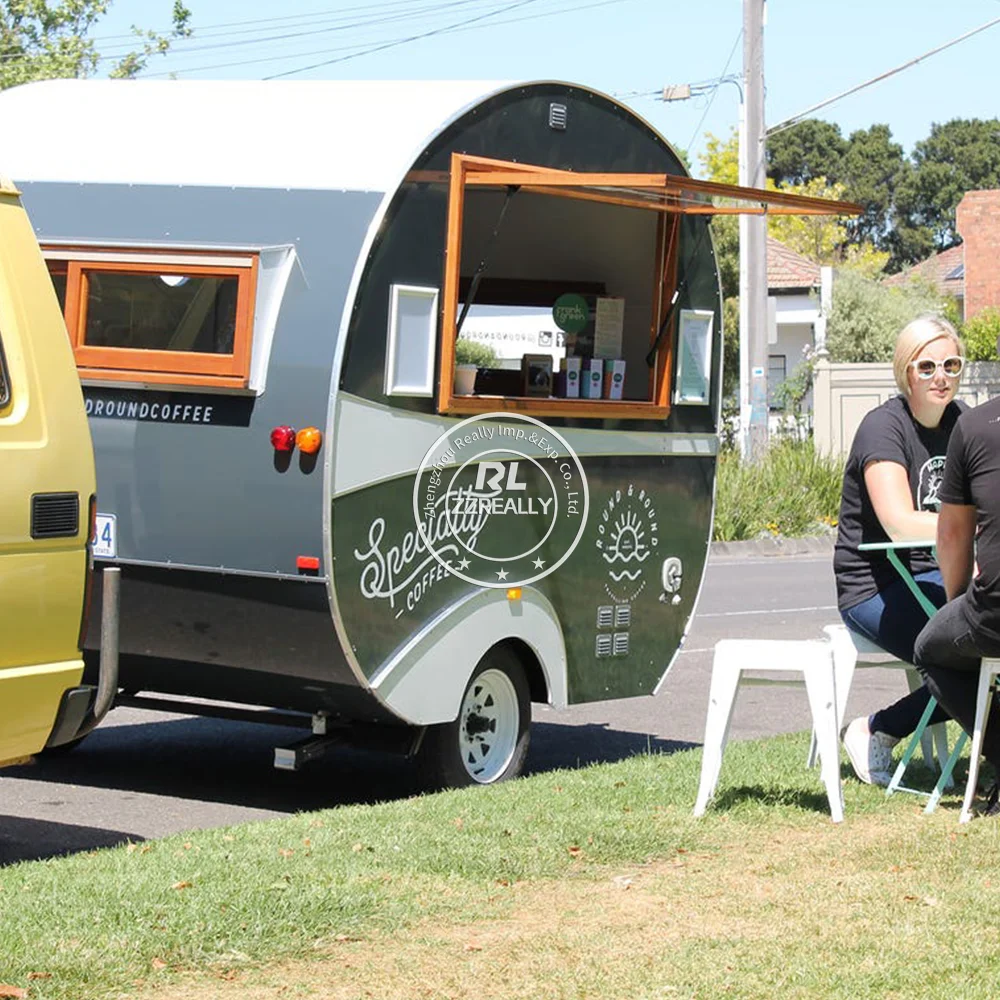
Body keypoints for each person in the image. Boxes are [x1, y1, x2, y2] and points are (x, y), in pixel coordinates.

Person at [834, 315, 967, 785]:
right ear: (906, 371)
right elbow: (897, 521)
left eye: (951, 364)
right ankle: (875, 728)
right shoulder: (883, 428)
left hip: (939, 573)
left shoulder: (962, 423)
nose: (941, 377)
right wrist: (967, 529)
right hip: (875, 585)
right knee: (966, 654)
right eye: (927, 366)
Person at [913, 384, 1000, 815]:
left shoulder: (975, 426)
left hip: (995, 613)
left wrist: (956, 602)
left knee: (931, 651)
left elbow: (951, 535)